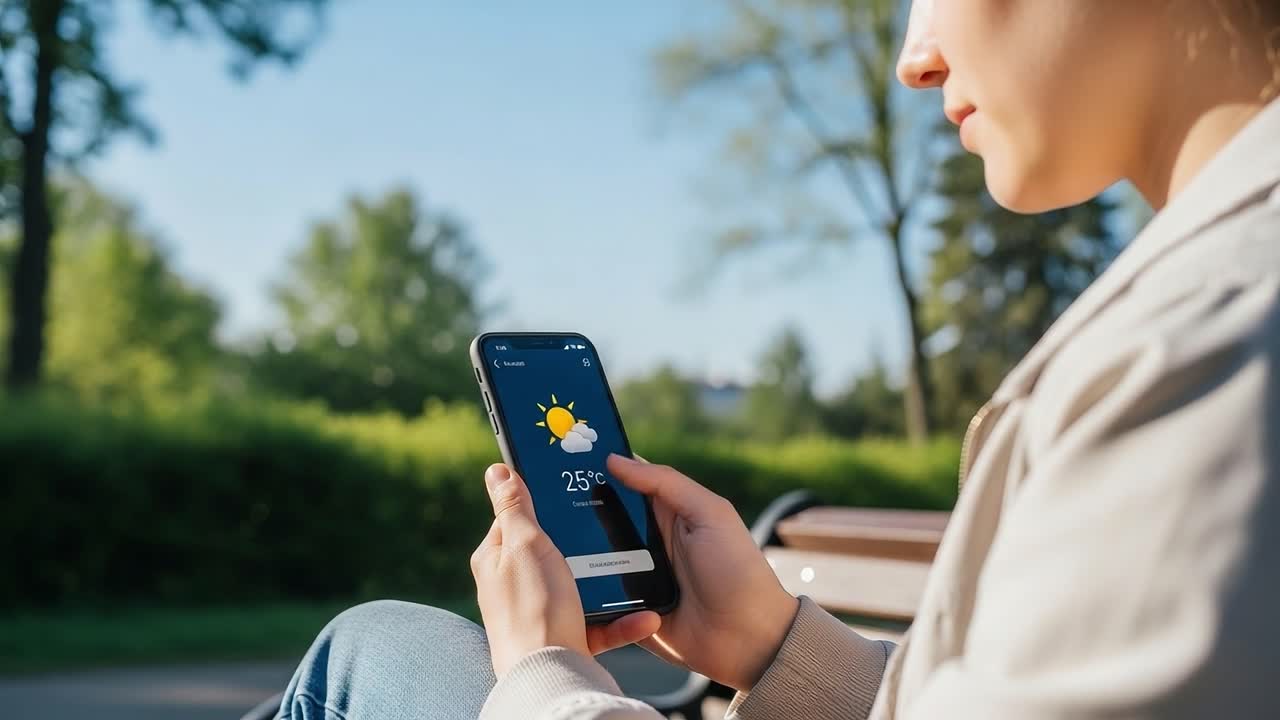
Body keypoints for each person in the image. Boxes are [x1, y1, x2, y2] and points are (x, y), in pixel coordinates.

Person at [274, 2, 1280, 718]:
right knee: (384, 643)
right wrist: (777, 651)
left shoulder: (1213, 346)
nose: (913, 59)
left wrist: (542, 678)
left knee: (375, 654)